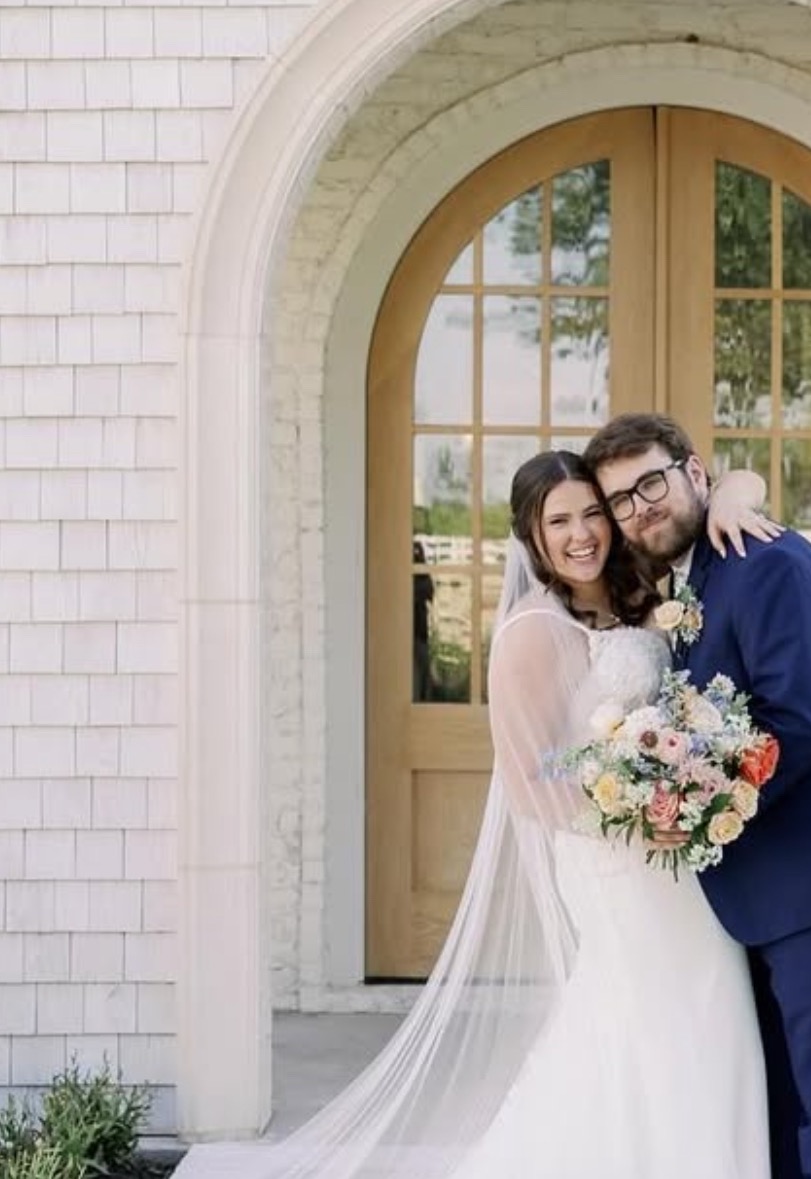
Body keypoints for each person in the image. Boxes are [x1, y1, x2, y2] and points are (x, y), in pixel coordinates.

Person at [228, 451, 776, 1179]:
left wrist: (736, 493)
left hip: (679, 859)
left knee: (711, 1008)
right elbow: (533, 780)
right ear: (531, 535)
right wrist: (637, 806)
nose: (582, 534)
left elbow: (723, 487)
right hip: (615, 864)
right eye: (559, 521)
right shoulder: (532, 630)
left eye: (592, 513)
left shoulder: (644, 589)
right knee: (647, 1021)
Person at [583, 413, 811, 1179]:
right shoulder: (696, 575)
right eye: (620, 500)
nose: (639, 508)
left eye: (650, 482)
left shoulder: (765, 563)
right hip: (774, 888)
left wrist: (691, 806)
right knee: (785, 1113)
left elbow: (800, 722)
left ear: (695, 472)